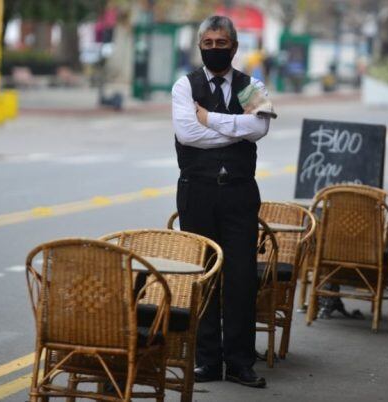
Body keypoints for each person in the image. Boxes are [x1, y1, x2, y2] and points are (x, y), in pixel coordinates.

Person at [171, 15, 272, 388]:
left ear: (234, 46)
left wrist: (209, 119)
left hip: (240, 194)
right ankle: (207, 360)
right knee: (203, 276)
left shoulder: (251, 85)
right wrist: (236, 130)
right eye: (208, 43)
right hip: (196, 192)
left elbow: (260, 127)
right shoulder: (185, 86)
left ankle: (241, 362)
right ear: (200, 46)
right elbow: (188, 134)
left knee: (242, 278)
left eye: (221, 43)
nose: (215, 49)